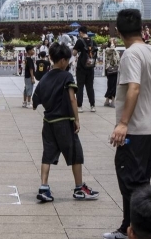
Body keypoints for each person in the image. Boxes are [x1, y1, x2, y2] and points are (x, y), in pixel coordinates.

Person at [104, 10, 151, 239]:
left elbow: (134, 88)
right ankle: (133, 228)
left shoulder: (131, 55)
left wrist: (123, 123)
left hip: (136, 128)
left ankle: (139, 233)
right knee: (140, 180)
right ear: (142, 29)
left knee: (131, 181)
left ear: (118, 32)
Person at [32, 43, 99, 203]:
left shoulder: (45, 78)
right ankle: (79, 188)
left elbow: (35, 101)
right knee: (76, 153)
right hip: (64, 121)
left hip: (48, 122)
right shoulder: (66, 76)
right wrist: (76, 119)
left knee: (47, 155)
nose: (68, 63)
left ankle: (44, 187)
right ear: (62, 60)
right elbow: (72, 98)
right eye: (67, 60)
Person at [73, 27, 98, 112]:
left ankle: (79, 106)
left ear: (80, 32)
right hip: (90, 67)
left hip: (81, 68)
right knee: (90, 87)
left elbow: (74, 53)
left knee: (80, 87)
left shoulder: (79, 41)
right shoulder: (93, 41)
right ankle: (92, 105)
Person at [103, 38, 120, 107]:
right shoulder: (108, 49)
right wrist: (112, 42)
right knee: (111, 85)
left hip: (115, 70)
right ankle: (112, 100)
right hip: (110, 69)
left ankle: (107, 100)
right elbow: (112, 49)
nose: (116, 44)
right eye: (114, 42)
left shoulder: (116, 50)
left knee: (113, 85)